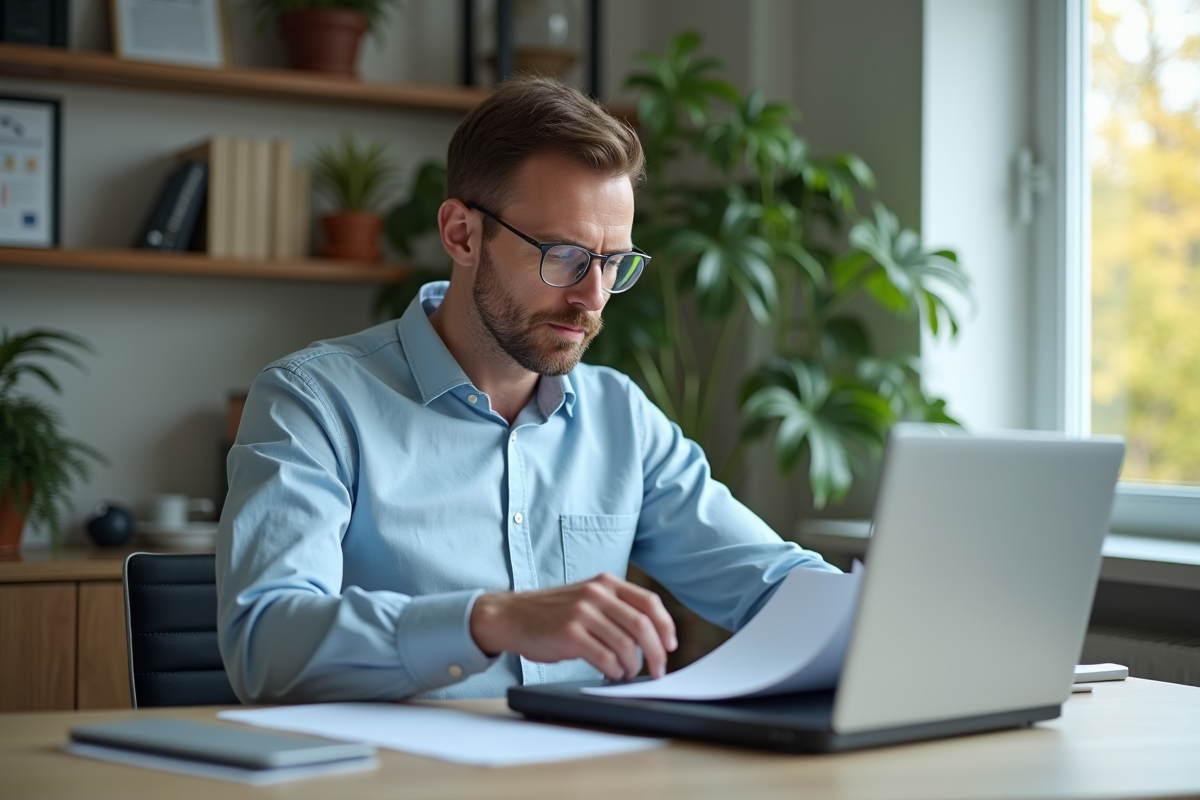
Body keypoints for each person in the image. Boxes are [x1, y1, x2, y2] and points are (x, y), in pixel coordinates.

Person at [216, 75, 837, 704]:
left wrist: (884, 614)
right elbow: (264, 647)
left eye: (613, 262)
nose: (593, 297)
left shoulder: (621, 418)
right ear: (462, 234)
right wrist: (490, 620)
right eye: (563, 254)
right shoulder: (314, 403)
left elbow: (770, 582)